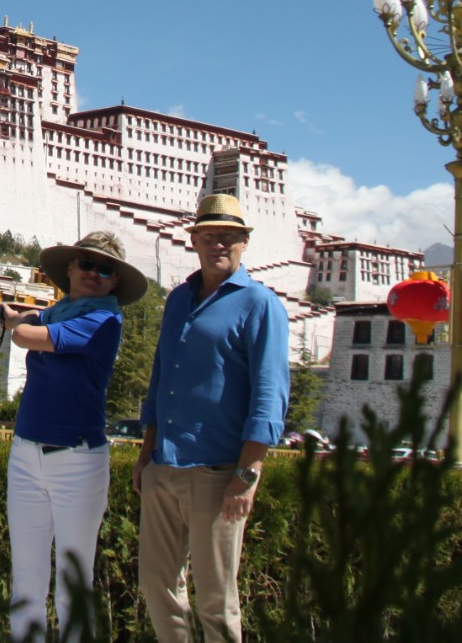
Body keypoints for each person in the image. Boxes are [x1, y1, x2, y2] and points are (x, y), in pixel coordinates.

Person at [135, 193, 290, 643]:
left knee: (216, 599)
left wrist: (249, 470)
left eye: (227, 237)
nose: (217, 244)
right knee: (156, 586)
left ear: (244, 243)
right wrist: (147, 454)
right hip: (164, 466)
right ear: (194, 241)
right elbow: (161, 378)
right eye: (208, 236)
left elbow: (270, 393)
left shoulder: (260, 304)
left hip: (219, 471)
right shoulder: (179, 299)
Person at [0, 230, 147, 643]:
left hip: (77, 462)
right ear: (70, 269)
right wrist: (20, 316)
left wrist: (16, 324)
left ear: (114, 282)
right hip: (27, 453)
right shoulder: (62, 310)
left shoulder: (104, 320)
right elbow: (36, 319)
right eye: (87, 264)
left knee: (72, 582)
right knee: (26, 577)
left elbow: (29, 335)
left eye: (105, 269)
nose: (94, 274)